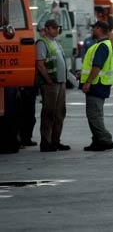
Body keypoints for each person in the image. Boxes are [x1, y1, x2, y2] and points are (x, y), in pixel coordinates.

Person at [79, 21, 113, 151]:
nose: (92, 30)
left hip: (97, 85)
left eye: (94, 28)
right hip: (100, 84)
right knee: (95, 114)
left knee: (94, 115)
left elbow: (97, 66)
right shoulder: (103, 44)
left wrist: (88, 81)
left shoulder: (102, 46)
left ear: (99, 29)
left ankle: (105, 140)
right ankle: (97, 140)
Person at [35, 19, 70, 152]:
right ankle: (46, 142)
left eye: (58, 28)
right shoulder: (42, 43)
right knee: (49, 113)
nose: (57, 30)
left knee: (60, 113)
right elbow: (40, 64)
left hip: (60, 83)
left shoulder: (56, 43)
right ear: (47, 29)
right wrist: (48, 80)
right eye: (54, 28)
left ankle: (56, 141)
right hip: (50, 84)